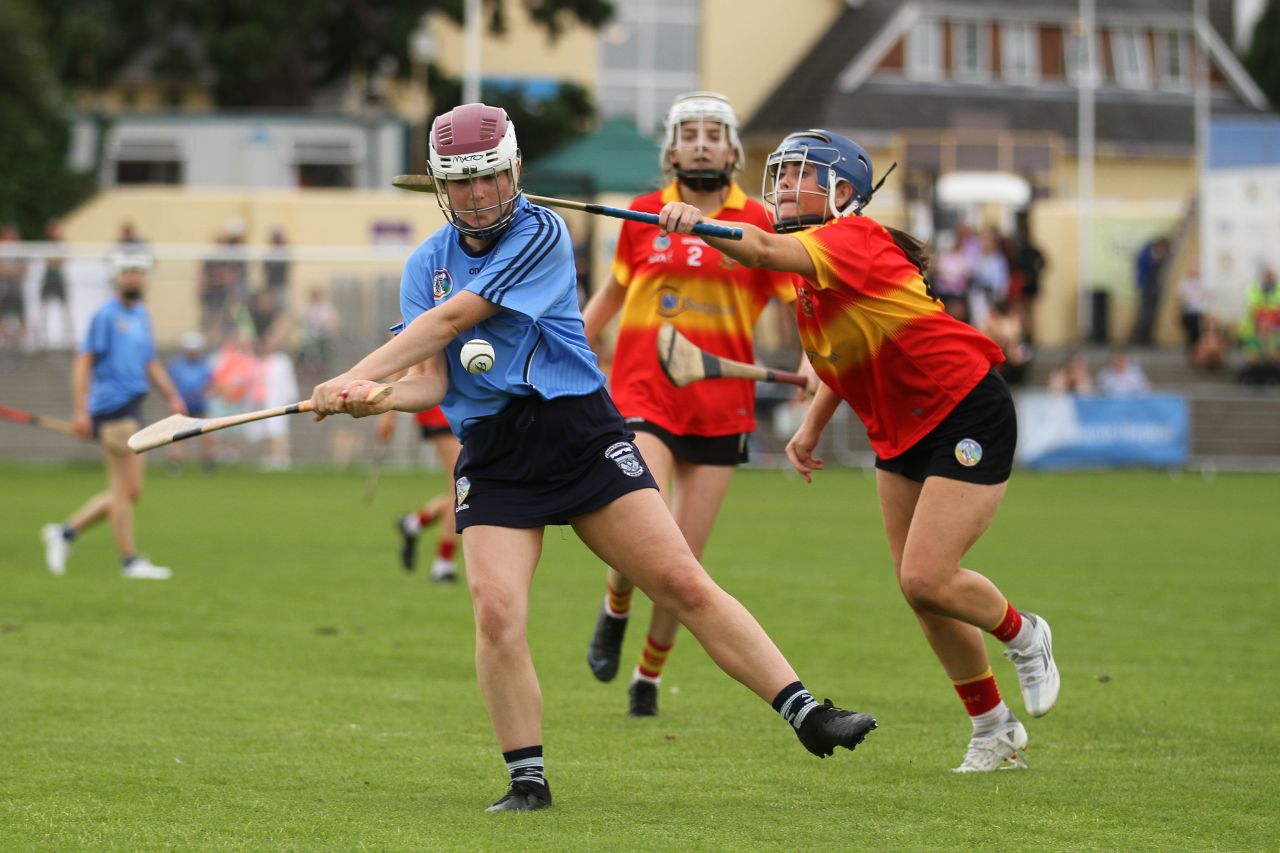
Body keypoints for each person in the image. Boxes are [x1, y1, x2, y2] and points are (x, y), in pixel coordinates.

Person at [310, 103, 878, 812]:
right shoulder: (425, 262)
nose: (478, 195)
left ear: (515, 171)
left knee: (680, 579)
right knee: (495, 609)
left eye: (489, 177)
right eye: (460, 183)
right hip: (492, 450)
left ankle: (807, 712)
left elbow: (452, 321)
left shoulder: (540, 233)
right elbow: (433, 373)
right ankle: (527, 780)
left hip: (576, 429)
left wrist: (355, 371)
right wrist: (377, 395)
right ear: (438, 186)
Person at [656, 128, 1060, 773]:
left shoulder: (853, 239)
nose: (783, 187)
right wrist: (813, 426)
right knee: (922, 593)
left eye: (797, 176)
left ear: (843, 191)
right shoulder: (811, 271)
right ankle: (994, 730)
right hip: (900, 431)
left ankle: (1023, 633)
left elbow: (756, 247)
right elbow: (842, 359)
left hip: (965, 407)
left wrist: (697, 223)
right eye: (780, 175)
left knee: (927, 575)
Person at [578, 92, 797, 717]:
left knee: (685, 563)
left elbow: (795, 310)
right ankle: (616, 603)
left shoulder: (757, 222)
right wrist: (572, 346)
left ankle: (648, 675)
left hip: (721, 407)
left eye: (713, 134)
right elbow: (610, 299)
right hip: (644, 395)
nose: (701, 143)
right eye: (689, 134)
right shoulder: (643, 213)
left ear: (732, 151)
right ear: (672, 150)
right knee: (645, 534)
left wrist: (815, 363)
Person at [41, 253, 186, 580]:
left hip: (135, 407)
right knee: (122, 490)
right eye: (128, 273)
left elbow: (150, 362)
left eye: (138, 272)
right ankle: (129, 561)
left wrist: (172, 394)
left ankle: (65, 532)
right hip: (112, 409)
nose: (134, 278)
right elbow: (83, 362)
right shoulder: (106, 316)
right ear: (118, 278)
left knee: (131, 492)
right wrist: (81, 410)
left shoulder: (142, 315)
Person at [386, 403, 463, 582]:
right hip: (442, 410)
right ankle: (444, 565)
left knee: (469, 487)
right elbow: (397, 375)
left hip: (469, 405)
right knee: (461, 486)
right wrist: (389, 414)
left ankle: (414, 523)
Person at [165, 331, 217, 473]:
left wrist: (204, 393)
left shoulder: (204, 364)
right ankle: (174, 464)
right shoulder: (177, 364)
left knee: (207, 434)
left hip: (200, 405)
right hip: (182, 405)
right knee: (178, 436)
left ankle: (208, 463)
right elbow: (171, 384)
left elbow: (210, 383)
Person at [1238, 266, 1280, 386]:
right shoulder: (1254, 288)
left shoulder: (1275, 341)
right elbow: (1253, 306)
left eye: (1270, 275)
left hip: (1274, 331)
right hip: (1254, 331)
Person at [1130, 235, 1170, 347]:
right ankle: (1140, 338)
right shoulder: (1147, 253)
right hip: (1146, 286)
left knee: (1153, 314)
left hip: (1155, 287)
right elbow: (1142, 268)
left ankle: (1148, 338)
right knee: (1145, 313)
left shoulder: (1161, 255)